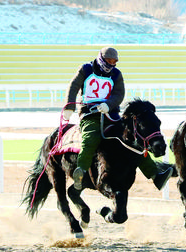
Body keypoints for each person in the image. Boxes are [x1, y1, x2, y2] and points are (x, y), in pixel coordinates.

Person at [63, 47, 173, 191]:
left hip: (111, 115)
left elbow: (119, 94)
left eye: (114, 61)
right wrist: (69, 106)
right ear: (101, 59)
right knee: (90, 139)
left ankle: (155, 175)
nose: (111, 64)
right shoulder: (86, 69)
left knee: (133, 141)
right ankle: (81, 173)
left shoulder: (116, 74)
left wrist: (108, 105)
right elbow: (73, 86)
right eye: (109, 60)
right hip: (90, 115)